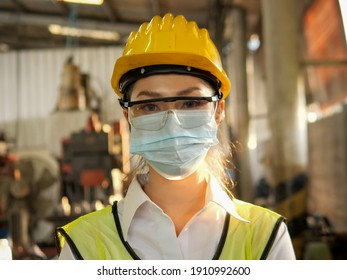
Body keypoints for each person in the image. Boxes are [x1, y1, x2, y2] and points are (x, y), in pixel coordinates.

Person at [55, 13, 296, 260]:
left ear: (218, 110)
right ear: (128, 116)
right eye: (150, 106)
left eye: (191, 102)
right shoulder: (82, 248)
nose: (172, 123)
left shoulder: (266, 237)